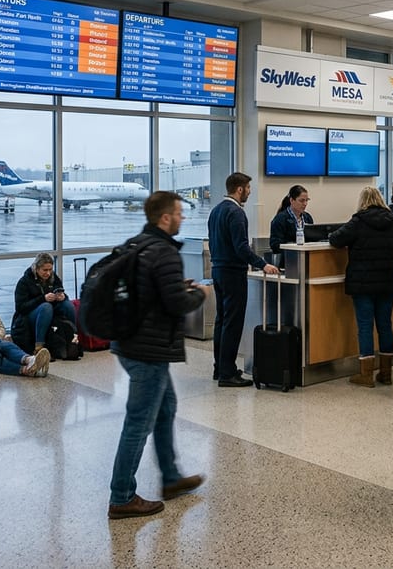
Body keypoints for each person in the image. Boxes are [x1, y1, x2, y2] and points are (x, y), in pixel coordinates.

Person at [108, 191, 212, 519]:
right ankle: (122, 496)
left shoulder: (137, 244)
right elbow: (176, 304)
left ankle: (170, 478)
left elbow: (149, 292)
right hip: (149, 349)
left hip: (129, 343)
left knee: (166, 408)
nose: (182, 217)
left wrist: (175, 286)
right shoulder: (164, 252)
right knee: (139, 421)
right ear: (164, 218)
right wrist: (198, 293)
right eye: (179, 213)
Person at [208, 172, 280, 387]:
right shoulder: (236, 213)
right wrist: (263, 264)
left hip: (218, 270)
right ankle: (228, 373)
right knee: (232, 322)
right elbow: (241, 247)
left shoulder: (216, 211)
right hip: (232, 272)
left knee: (222, 321)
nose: (249, 191)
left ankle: (220, 367)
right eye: (248, 188)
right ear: (239, 189)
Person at [328, 186, 393, 387]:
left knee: (365, 326)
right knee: (385, 324)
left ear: (362, 201)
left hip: (363, 282)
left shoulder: (358, 221)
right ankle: (386, 373)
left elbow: (335, 239)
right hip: (388, 279)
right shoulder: (391, 220)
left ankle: (366, 374)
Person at [13, 252, 76, 354]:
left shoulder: (53, 278)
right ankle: (39, 346)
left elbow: (60, 290)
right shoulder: (24, 282)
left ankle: (73, 338)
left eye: (50, 270)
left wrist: (63, 297)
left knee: (68, 305)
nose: (48, 273)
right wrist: (43, 298)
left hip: (49, 311)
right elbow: (20, 308)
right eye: (45, 270)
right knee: (46, 307)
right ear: (37, 268)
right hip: (28, 316)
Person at [269, 184, 313, 255]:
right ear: (292, 200)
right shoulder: (281, 218)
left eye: (307, 200)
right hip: (288, 259)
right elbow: (275, 245)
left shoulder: (307, 217)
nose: (305, 204)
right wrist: (292, 247)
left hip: (307, 257)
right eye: (301, 201)